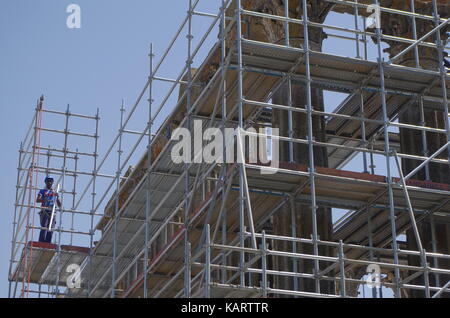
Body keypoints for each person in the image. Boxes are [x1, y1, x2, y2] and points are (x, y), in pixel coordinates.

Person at [36, 176, 61, 243]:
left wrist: (57, 197)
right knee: (44, 227)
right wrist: (44, 199)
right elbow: (37, 200)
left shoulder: (54, 192)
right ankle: (41, 242)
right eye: (48, 181)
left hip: (52, 211)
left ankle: (47, 242)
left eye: (50, 181)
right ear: (45, 182)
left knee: (51, 228)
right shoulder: (42, 191)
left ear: (52, 182)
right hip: (45, 210)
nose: (49, 182)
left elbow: (59, 205)